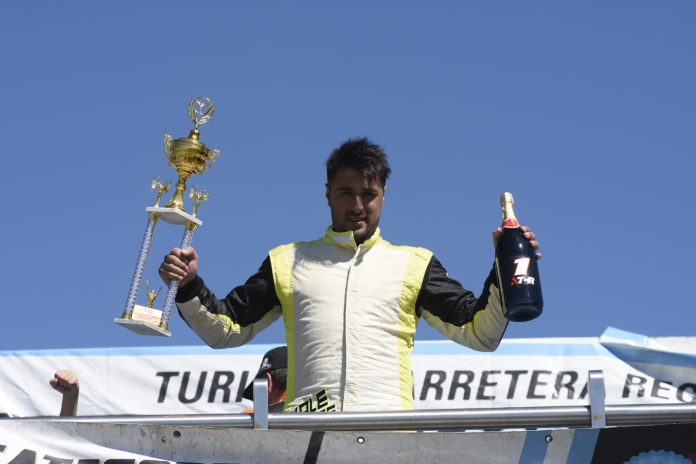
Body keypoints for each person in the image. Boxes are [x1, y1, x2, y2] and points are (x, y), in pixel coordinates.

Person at [159, 137, 541, 413]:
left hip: (389, 444)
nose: (358, 206)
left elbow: (480, 332)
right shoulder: (287, 260)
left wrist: (504, 271)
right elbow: (225, 330)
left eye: (368, 194)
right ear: (327, 193)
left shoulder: (415, 263)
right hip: (307, 441)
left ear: (384, 194)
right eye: (346, 193)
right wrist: (189, 285)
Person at [242, 346, 288, 413]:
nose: (256, 400)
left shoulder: (249, 417)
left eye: (258, 390)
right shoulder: (303, 408)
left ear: (268, 383)